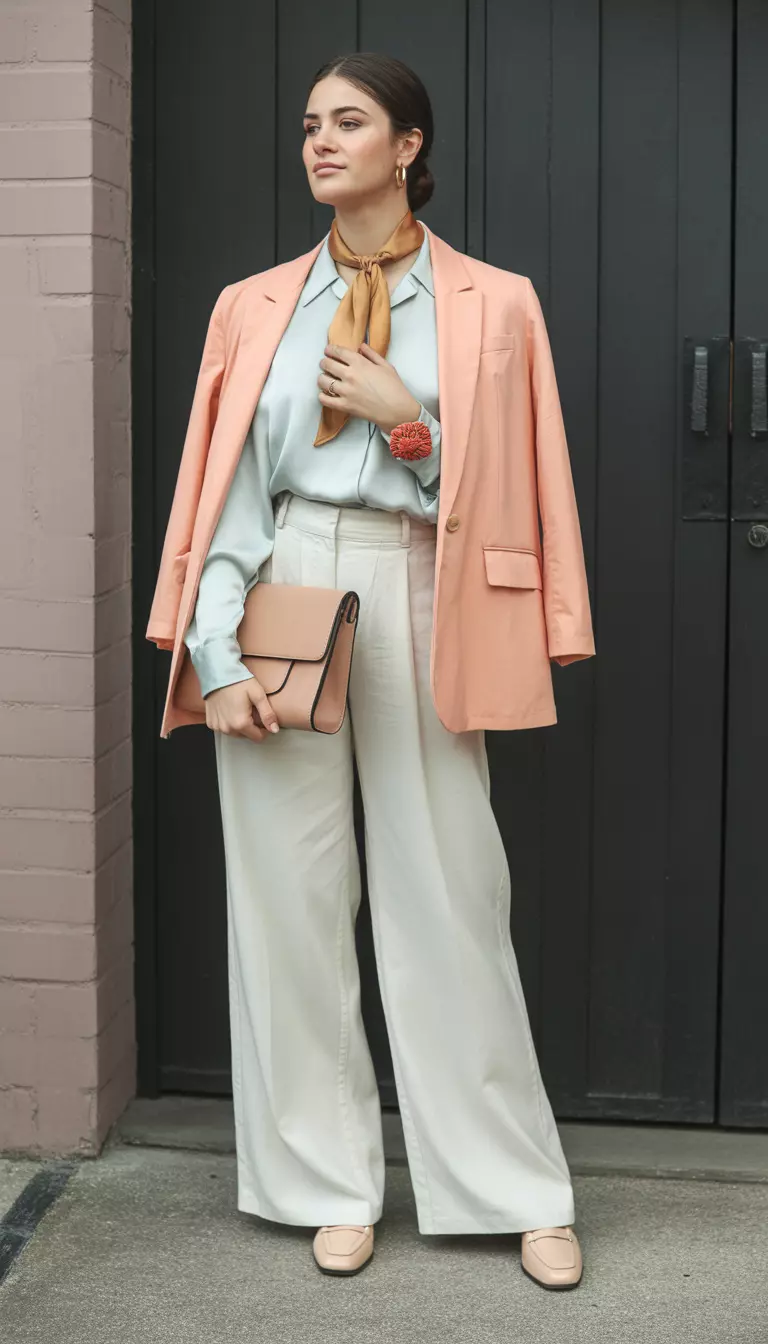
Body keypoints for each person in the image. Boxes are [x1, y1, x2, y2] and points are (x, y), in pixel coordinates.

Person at [147, 51, 595, 1289]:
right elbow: (229, 486)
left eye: (348, 122)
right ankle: (324, 1181)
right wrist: (218, 651)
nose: (318, 141)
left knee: (452, 896)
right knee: (286, 905)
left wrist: (408, 417)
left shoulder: (496, 303)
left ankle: (515, 1189)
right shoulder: (253, 305)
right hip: (287, 575)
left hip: (422, 579)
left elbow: (512, 486)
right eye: (308, 125)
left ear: (408, 146)